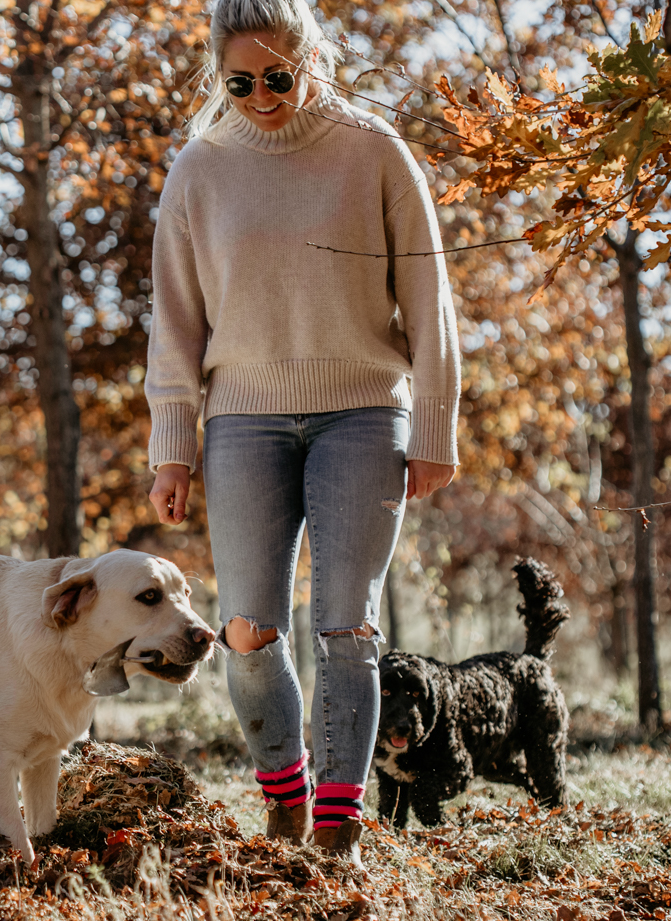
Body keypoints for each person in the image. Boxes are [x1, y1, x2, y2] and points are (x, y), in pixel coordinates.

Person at [143, 0, 460, 865]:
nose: (261, 96)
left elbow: (430, 304)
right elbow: (174, 324)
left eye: (277, 76)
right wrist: (171, 445)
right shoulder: (200, 169)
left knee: (346, 625)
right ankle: (285, 794)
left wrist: (436, 424)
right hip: (241, 419)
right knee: (246, 627)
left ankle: (337, 826)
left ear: (311, 57)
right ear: (219, 75)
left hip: (364, 409)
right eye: (239, 82)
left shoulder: (374, 152)